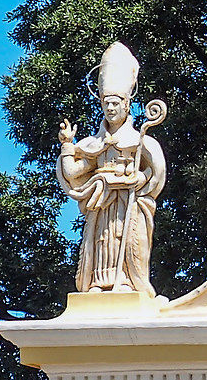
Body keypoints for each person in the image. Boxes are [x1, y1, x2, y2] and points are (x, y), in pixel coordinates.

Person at [58, 41, 168, 295]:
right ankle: (99, 281)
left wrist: (139, 180)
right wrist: (67, 146)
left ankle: (126, 280)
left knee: (126, 240)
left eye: (115, 103)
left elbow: (157, 172)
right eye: (106, 103)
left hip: (129, 203)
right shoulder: (95, 144)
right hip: (102, 203)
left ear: (127, 104)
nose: (110, 108)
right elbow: (74, 173)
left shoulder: (140, 142)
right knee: (102, 240)